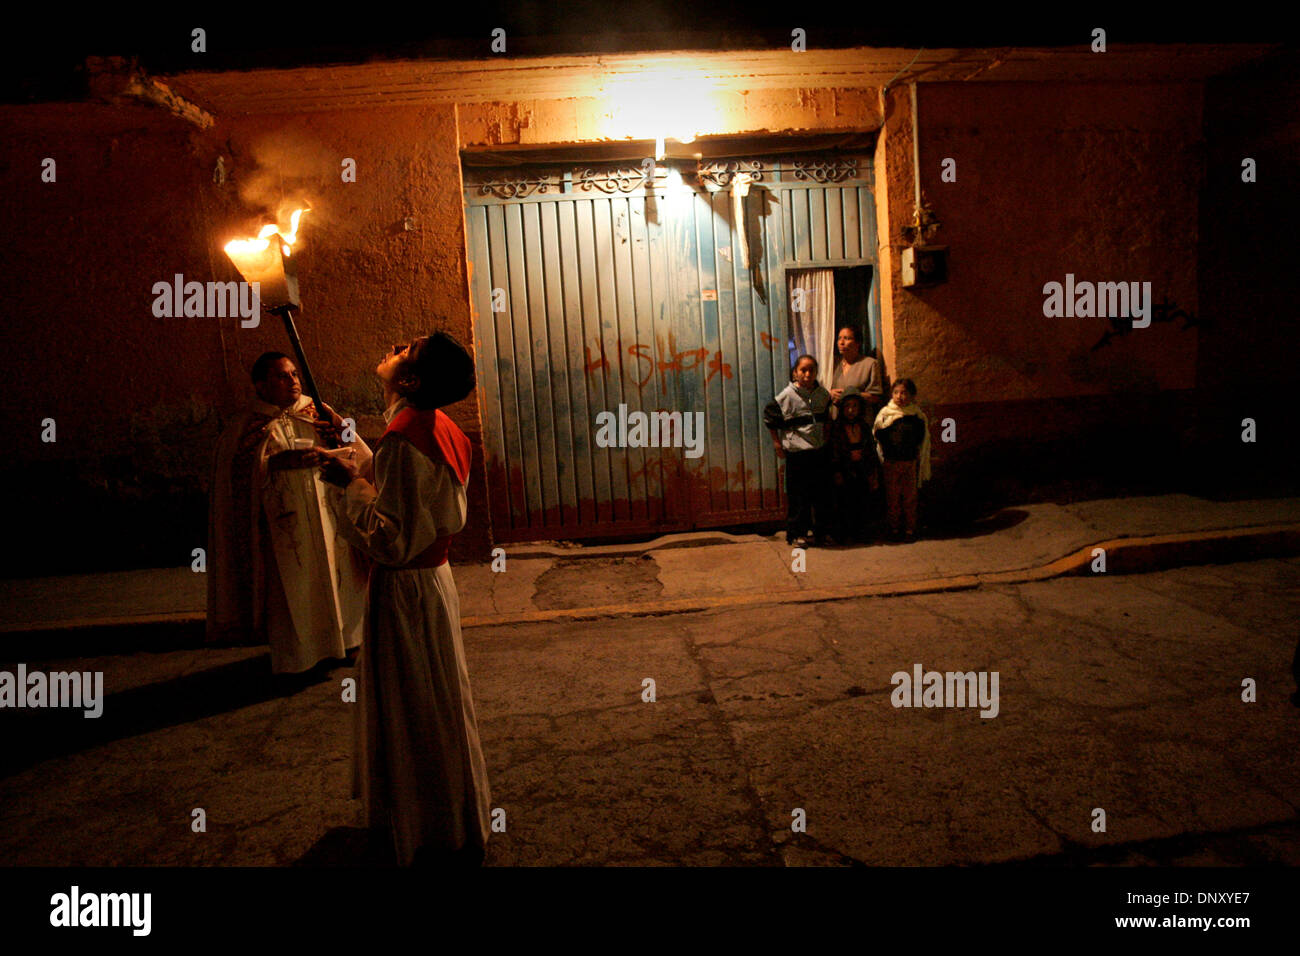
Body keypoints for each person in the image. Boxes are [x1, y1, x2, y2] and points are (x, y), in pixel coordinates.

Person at [321, 332, 491, 868]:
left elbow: (390, 538)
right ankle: (448, 820)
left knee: (413, 705)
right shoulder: (435, 426)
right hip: (431, 583)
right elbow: (413, 497)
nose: (394, 345)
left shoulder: (403, 438)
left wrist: (349, 483)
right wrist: (356, 447)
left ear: (410, 381)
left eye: (406, 350)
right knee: (434, 700)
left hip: (404, 589)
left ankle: (424, 831)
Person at [206, 351, 371, 676]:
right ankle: (300, 657)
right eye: (283, 376)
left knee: (339, 582)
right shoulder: (246, 428)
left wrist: (336, 444)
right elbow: (233, 478)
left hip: (328, 516)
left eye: (295, 374)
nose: (293, 381)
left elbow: (358, 452)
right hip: (283, 526)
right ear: (261, 384)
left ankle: (349, 643)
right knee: (295, 589)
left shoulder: (317, 412)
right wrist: (276, 463)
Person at [765, 354, 833, 548]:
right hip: (797, 454)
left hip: (818, 451)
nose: (807, 374)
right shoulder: (785, 397)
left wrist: (826, 437)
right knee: (798, 496)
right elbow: (770, 420)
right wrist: (777, 443)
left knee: (821, 495)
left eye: (811, 370)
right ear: (795, 372)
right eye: (803, 370)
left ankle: (821, 532)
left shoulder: (822, 395)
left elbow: (827, 417)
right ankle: (797, 534)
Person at [872, 378, 931, 542]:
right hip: (891, 462)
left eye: (904, 392)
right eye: (896, 392)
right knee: (893, 497)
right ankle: (894, 528)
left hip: (909, 462)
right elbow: (878, 433)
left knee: (910, 497)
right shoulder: (885, 414)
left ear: (912, 395)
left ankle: (910, 529)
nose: (900, 396)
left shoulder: (916, 416)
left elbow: (921, 437)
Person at [828, 386, 880, 543]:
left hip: (862, 469)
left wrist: (872, 472)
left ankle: (861, 532)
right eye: (847, 406)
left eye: (855, 406)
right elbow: (834, 452)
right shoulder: (837, 428)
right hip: (844, 470)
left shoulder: (863, 427)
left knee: (862, 501)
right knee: (844, 502)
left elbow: (870, 450)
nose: (851, 410)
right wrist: (838, 470)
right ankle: (844, 534)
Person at [828, 325, 883, 420]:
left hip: (860, 420)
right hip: (837, 421)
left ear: (858, 343)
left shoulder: (869, 364)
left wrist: (852, 395)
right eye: (839, 339)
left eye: (847, 338)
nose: (841, 342)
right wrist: (830, 394)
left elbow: (875, 397)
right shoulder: (832, 364)